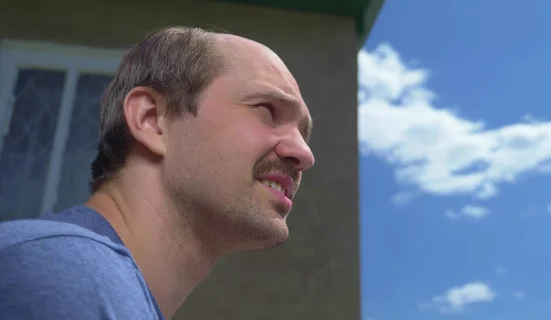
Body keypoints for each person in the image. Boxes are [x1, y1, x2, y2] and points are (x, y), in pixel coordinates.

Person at [0, 26, 315, 320]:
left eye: (304, 133)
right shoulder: (63, 278)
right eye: (267, 110)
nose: (304, 154)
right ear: (151, 120)